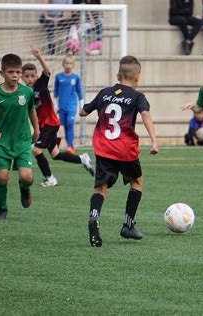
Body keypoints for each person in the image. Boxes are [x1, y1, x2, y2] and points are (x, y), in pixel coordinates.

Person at [79, 55, 159, 247]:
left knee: (100, 188)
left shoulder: (104, 93)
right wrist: (154, 141)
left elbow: (83, 112)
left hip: (103, 147)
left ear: (118, 75)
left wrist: (83, 108)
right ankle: (128, 225)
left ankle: (94, 218)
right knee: (137, 182)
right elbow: (146, 115)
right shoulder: (137, 96)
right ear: (137, 77)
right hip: (125, 148)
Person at [21, 46, 94, 187]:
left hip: (50, 123)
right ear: (22, 77)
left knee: (36, 151)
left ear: (36, 76)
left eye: (32, 76)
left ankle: (49, 178)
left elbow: (47, 71)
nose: (30, 79)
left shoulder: (40, 85)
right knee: (55, 154)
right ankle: (82, 159)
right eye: (26, 76)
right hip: (44, 127)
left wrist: (39, 56)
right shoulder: (25, 92)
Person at [0, 54, 39, 220]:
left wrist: (36, 130)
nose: (15, 75)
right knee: (2, 176)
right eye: (11, 72)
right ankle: (2, 209)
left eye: (18, 72)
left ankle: (24, 188)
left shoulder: (27, 92)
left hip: (22, 140)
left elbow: (31, 111)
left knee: (27, 177)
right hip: (2, 142)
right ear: (2, 73)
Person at [54, 55, 83, 153]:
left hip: (72, 105)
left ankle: (70, 146)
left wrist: (81, 105)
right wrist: (55, 105)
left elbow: (79, 92)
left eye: (70, 63)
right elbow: (55, 92)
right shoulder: (58, 77)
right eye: (66, 63)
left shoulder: (75, 77)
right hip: (61, 106)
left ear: (73, 65)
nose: (68, 65)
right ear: (63, 64)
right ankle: (65, 145)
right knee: (63, 125)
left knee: (70, 124)